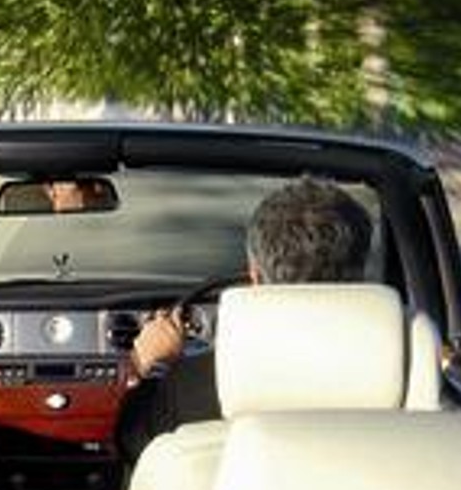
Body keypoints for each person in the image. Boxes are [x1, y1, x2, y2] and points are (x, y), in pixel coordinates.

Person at [115, 177, 374, 464]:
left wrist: (151, 367)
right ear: (361, 275)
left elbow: (131, 445)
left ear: (254, 276)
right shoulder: (399, 372)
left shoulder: (190, 386)